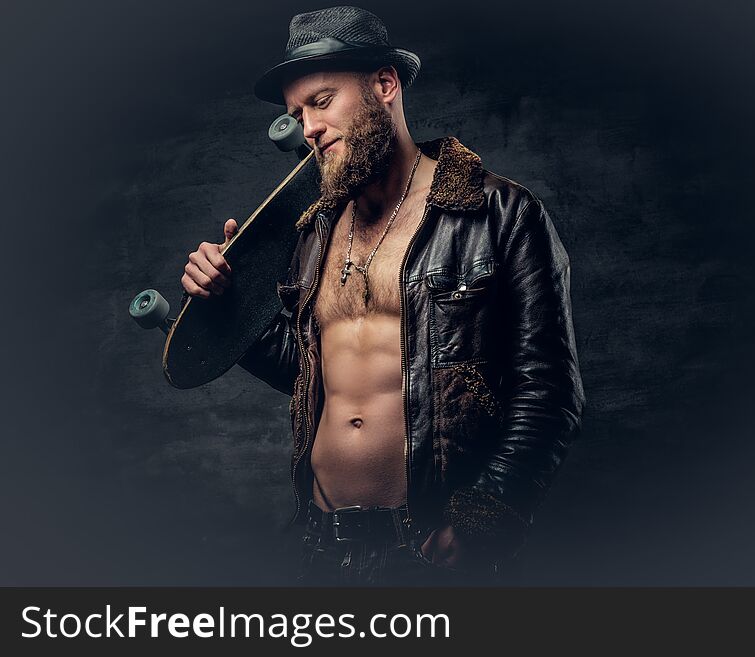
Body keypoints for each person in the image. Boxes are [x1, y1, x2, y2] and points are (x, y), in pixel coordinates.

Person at [180, 6, 584, 585]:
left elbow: (547, 390)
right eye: (297, 115)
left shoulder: (498, 215)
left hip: (428, 549)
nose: (309, 128)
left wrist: (482, 518)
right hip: (318, 545)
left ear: (385, 85)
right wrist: (227, 303)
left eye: (321, 101)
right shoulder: (313, 233)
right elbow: (309, 370)